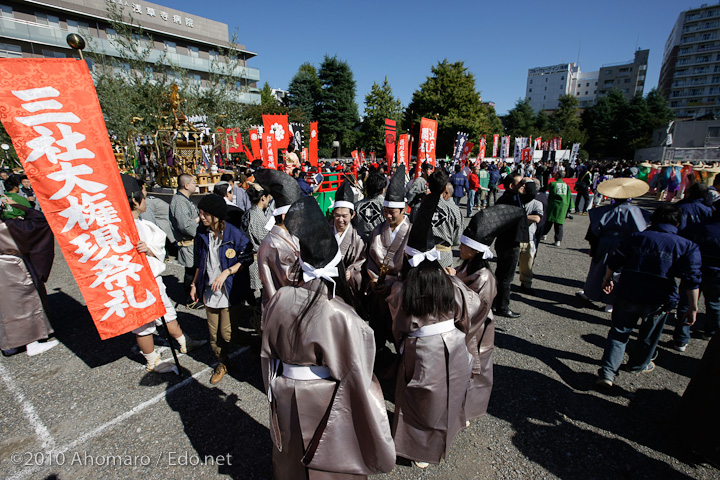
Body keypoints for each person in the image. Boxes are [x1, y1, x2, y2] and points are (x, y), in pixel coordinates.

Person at [261, 196, 396, 479]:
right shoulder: (340, 313)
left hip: (285, 389)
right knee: (327, 455)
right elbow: (358, 366)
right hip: (323, 395)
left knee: (291, 453)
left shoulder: (280, 299)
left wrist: (273, 387)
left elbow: (267, 353)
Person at [386, 169, 475, 468]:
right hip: (454, 343)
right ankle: (444, 438)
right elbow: (469, 309)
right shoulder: (450, 281)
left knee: (414, 399)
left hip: (421, 349)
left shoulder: (403, 288)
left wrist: (403, 344)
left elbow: (399, 327)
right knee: (445, 396)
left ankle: (417, 451)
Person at [596, 205, 702, 388]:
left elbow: (614, 260)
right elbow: (692, 279)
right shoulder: (687, 246)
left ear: (652, 220)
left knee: (619, 333)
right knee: (649, 336)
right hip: (659, 298)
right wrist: (693, 307)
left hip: (628, 292)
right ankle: (638, 364)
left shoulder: (636, 238)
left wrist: (607, 279)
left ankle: (607, 373)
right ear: (677, 223)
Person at [122, 175, 206, 373]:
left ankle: (184, 341)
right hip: (139, 281)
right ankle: (152, 359)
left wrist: (150, 249)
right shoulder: (125, 228)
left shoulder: (141, 222)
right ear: (135, 201)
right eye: (143, 195)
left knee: (167, 312)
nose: (146, 198)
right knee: (145, 321)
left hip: (155, 278)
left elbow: (156, 249)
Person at [453, 207, 511, 421]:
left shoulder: (485, 277)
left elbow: (476, 310)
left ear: (476, 250)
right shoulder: (468, 265)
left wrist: (454, 283)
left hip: (475, 329)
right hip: (462, 322)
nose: (459, 248)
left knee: (472, 372)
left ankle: (466, 411)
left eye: (464, 245)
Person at [191, 194, 253, 384]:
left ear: (217, 215)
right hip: (209, 290)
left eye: (205, 214)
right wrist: (194, 284)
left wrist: (226, 272)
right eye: (200, 213)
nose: (202, 217)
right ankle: (222, 363)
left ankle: (257, 343)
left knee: (227, 333)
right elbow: (199, 262)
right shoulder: (202, 234)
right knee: (213, 335)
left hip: (229, 289)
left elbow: (247, 259)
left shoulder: (234, 234)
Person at [576, 178, 650, 313]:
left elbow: (594, 230)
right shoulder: (635, 212)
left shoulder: (603, 211)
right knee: (618, 272)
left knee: (598, 268)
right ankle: (610, 302)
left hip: (605, 242)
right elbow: (640, 231)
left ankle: (590, 293)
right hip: (626, 244)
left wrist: (593, 245)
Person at [0, 200, 58, 356]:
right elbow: (41, 221)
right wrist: (21, 206)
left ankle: (9, 345)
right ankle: (32, 342)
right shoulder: (8, 227)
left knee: (4, 308)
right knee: (24, 303)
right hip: (11, 267)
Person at [365, 169, 411, 352]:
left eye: (392, 213)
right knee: (377, 322)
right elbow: (370, 258)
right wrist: (374, 278)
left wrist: (393, 282)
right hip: (378, 283)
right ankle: (379, 352)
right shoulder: (377, 230)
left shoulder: (410, 232)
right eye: (385, 212)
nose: (388, 216)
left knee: (399, 324)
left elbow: (411, 266)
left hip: (400, 287)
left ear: (403, 210)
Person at [254, 169, 303, 317]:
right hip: (282, 304)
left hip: (293, 300)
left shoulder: (290, 235)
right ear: (284, 215)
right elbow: (287, 277)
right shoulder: (272, 243)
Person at [493, 175, 530, 317]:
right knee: (506, 278)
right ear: (510, 186)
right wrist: (528, 180)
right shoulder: (511, 199)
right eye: (520, 183)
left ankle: (495, 302)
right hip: (509, 242)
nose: (523, 186)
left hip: (503, 241)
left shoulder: (506, 198)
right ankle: (503, 307)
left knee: (501, 274)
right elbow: (532, 192)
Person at [332, 180, 366, 300]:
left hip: (347, 285)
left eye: (344, 216)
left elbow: (360, 262)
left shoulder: (358, 238)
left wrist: (350, 272)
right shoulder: (325, 234)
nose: (340, 219)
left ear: (352, 215)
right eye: (337, 215)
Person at [170, 173, 199, 306]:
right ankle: (190, 300)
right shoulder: (180, 202)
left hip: (193, 242)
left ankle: (195, 296)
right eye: (194, 183)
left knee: (194, 269)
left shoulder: (185, 199)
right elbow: (185, 225)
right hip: (188, 242)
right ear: (186, 185)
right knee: (191, 271)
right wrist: (199, 219)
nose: (196, 185)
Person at [241, 183, 271, 307]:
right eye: (268, 197)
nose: (270, 200)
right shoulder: (258, 218)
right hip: (257, 259)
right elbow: (267, 241)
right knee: (262, 294)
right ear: (263, 197)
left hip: (249, 256)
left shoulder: (248, 213)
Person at [517, 179, 543, 293]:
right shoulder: (516, 200)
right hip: (515, 237)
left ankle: (526, 285)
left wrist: (517, 217)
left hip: (529, 238)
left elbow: (537, 218)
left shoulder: (537, 203)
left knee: (527, 265)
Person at [429, 183, 462, 268]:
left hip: (423, 255)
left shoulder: (421, 207)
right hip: (444, 255)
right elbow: (457, 239)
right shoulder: (454, 210)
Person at [542, 171, 574, 247]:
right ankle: (558, 240)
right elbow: (569, 196)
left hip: (553, 205)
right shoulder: (566, 186)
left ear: (558, 175)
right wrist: (570, 207)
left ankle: (543, 235)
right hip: (563, 206)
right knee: (559, 223)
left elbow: (546, 188)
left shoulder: (553, 184)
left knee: (549, 221)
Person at [353, 172, 386, 241]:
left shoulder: (356, 206)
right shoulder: (385, 205)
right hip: (381, 242)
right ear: (383, 189)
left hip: (360, 242)